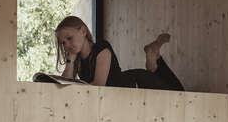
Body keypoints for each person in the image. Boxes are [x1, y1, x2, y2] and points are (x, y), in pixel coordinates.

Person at [55, 16, 184, 90]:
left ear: (83, 31)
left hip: (139, 82)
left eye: (69, 38)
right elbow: (65, 86)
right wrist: (70, 59)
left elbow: (99, 86)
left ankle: (153, 57)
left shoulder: (101, 47)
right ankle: (153, 59)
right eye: (63, 43)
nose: (66, 45)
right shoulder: (76, 60)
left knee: (179, 93)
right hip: (130, 87)